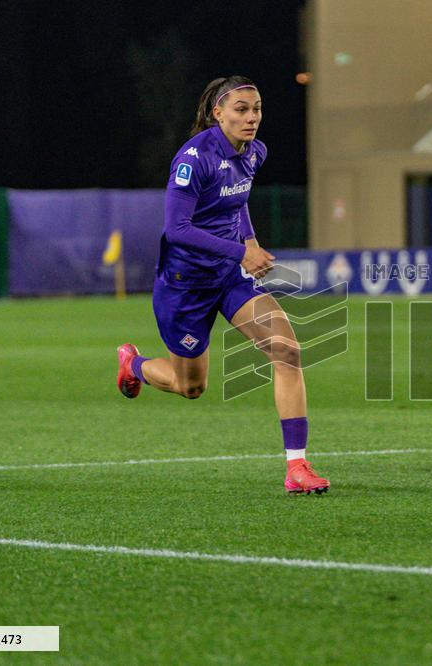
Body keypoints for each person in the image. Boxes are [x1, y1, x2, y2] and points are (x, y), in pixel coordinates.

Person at [116, 76, 330, 495]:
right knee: (190, 387)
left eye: (257, 109)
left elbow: (239, 198)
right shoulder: (192, 159)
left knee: (287, 351)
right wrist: (239, 252)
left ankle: (297, 467)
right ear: (218, 113)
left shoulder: (253, 152)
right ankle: (133, 364)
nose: (252, 118)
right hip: (185, 286)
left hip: (229, 277)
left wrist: (248, 240)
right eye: (241, 110)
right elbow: (176, 229)